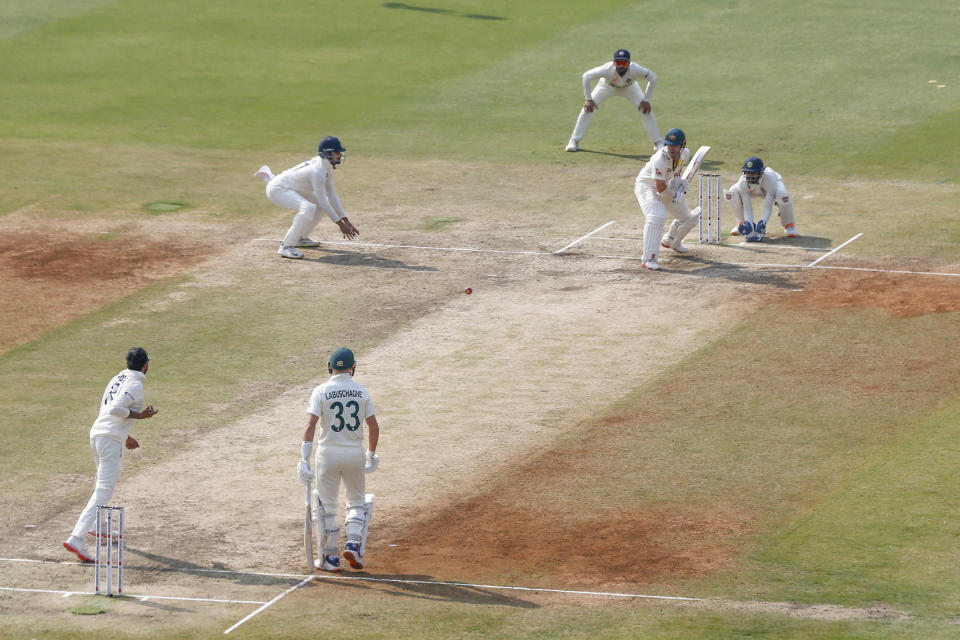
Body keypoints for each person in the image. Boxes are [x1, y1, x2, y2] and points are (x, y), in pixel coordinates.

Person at [63, 347, 158, 563]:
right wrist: (141, 416)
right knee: (103, 491)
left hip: (99, 435)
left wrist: (125, 436)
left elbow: (108, 412)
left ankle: (100, 526)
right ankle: (77, 537)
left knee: (101, 485)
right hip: (109, 440)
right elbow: (115, 410)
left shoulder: (118, 378)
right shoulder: (135, 384)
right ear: (145, 365)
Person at [296, 347, 380, 572]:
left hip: (328, 454)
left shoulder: (320, 391)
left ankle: (330, 558)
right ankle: (353, 543)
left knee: (327, 506)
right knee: (357, 502)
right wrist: (370, 455)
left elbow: (310, 426)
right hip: (354, 453)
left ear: (330, 366)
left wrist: (304, 459)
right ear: (353, 367)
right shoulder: (361, 392)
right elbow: (373, 426)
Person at [256, 136, 360, 259]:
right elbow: (322, 200)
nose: (339, 154)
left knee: (319, 207)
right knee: (309, 207)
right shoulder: (318, 171)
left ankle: (300, 238)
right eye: (336, 152)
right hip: (277, 190)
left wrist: (346, 220)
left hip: (294, 188)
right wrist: (340, 224)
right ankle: (286, 246)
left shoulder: (327, 167)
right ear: (327, 153)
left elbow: (332, 195)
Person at [565, 49, 664, 153]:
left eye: (624, 63)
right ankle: (574, 141)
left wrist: (646, 100)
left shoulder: (636, 69)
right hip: (607, 87)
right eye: (618, 62)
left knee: (646, 110)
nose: (621, 66)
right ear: (614, 63)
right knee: (587, 109)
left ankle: (658, 142)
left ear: (629, 63)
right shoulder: (606, 69)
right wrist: (588, 99)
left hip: (630, 88)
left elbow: (653, 78)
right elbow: (586, 76)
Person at [633, 127, 702, 270]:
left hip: (665, 186)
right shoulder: (659, 159)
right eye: (668, 145)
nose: (671, 148)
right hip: (647, 186)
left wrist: (679, 182)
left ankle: (671, 240)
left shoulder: (685, 154)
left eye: (675, 145)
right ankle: (648, 258)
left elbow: (675, 172)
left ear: (683, 144)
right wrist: (675, 194)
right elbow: (660, 189)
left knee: (689, 218)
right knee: (656, 215)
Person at [725, 157, 798, 241]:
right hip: (754, 190)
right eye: (748, 173)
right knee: (731, 193)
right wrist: (749, 223)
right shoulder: (742, 182)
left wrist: (762, 222)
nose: (751, 176)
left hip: (773, 185)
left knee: (783, 196)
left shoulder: (770, 179)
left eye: (754, 173)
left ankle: (789, 225)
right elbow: (747, 208)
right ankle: (741, 224)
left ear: (761, 172)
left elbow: (768, 207)